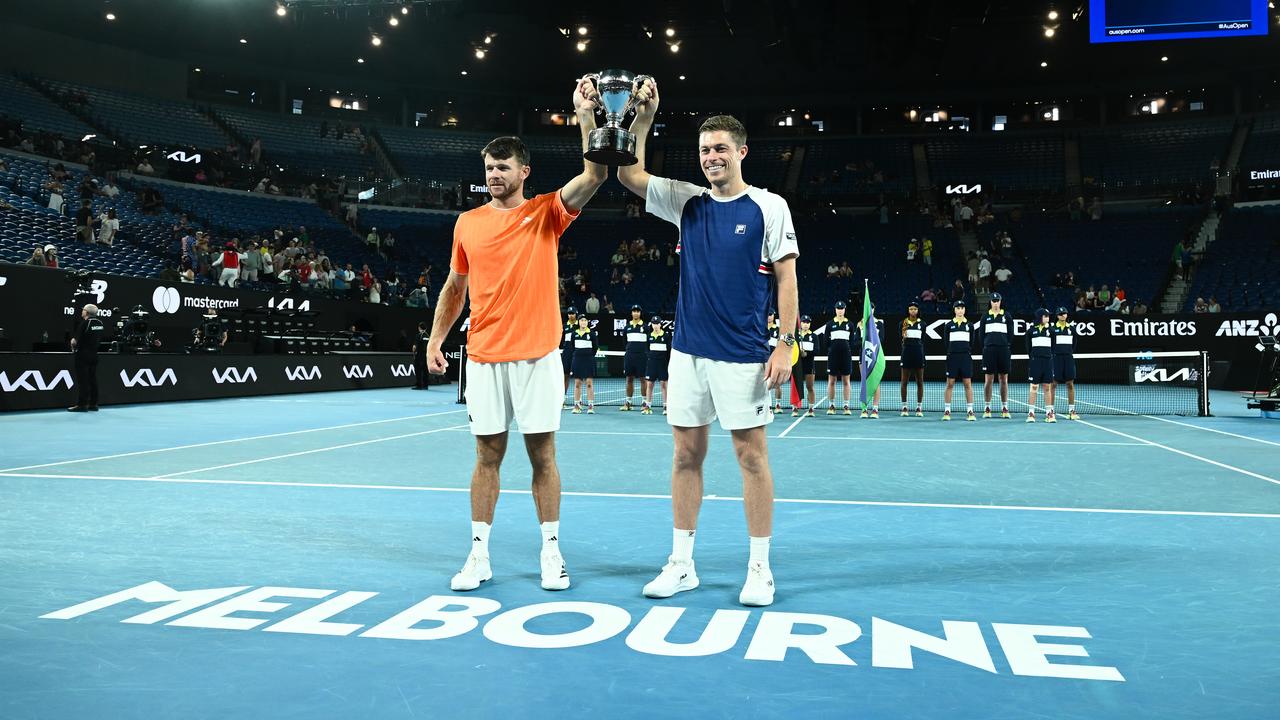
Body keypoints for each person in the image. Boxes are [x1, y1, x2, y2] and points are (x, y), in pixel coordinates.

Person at [618, 80, 799, 607]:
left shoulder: (769, 206)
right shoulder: (686, 201)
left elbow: (786, 280)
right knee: (685, 455)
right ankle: (681, 564)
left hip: (744, 354)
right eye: (704, 150)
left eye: (721, 148)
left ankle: (760, 568)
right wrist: (646, 118)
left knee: (751, 458)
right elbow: (629, 173)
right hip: (688, 353)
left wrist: (785, 343)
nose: (711, 157)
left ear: (742, 152)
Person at [424, 77, 607, 593]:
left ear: (524, 172)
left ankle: (552, 551)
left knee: (542, 455)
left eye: (503, 167)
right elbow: (455, 286)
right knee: (486, 456)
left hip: (538, 357)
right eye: (489, 168)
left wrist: (584, 115)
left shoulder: (546, 212)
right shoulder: (467, 223)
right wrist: (436, 339)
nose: (494, 175)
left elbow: (594, 173)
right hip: (482, 357)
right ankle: (479, 554)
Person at [978, 292, 1011, 419]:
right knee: (989, 380)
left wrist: (1005, 345)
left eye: (997, 301)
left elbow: (1010, 335)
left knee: (1003, 379)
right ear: (990, 302)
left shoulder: (1006, 316)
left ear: (1000, 301)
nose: (995, 303)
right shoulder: (985, 317)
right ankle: (987, 407)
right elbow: (981, 336)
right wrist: (987, 345)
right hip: (989, 351)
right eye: (993, 301)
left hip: (1003, 350)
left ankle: (1004, 407)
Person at [942, 300, 976, 421]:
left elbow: (971, 342)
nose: (960, 310)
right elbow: (946, 343)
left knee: (968, 384)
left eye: (962, 308)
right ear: (954, 310)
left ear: (964, 310)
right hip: (952, 357)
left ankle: (970, 411)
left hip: (965, 357)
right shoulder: (949, 326)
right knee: (950, 384)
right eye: (958, 308)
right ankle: (947, 411)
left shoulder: (970, 326)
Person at [68, 304, 105, 412]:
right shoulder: (100, 323)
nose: (82, 311)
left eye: (83, 310)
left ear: (87, 312)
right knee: (92, 379)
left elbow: (75, 341)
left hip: (83, 355)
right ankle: (93, 404)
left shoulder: (85, 323)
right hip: (94, 355)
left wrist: (72, 344)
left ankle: (82, 405)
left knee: (83, 381)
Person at [1025, 308, 1057, 423]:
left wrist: (1047, 356)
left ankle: (1049, 413)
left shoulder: (1051, 331)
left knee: (1047, 387)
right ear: (1039, 317)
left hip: (1047, 362)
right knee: (1034, 387)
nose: (1048, 318)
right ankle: (1031, 413)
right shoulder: (1031, 331)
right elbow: (1028, 348)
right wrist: (1034, 357)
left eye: (1048, 316)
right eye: (1046, 316)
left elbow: (1053, 347)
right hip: (1035, 362)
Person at [854, 306, 885, 418]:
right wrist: (864, 341)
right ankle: (864, 409)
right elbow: (855, 342)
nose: (870, 310)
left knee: (876, 383)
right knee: (864, 382)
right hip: (863, 357)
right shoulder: (859, 324)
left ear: (874, 309)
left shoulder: (879, 324)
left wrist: (870, 340)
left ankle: (875, 410)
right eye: (868, 308)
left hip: (875, 357)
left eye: (871, 308)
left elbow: (881, 339)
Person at [825, 301, 854, 416]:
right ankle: (831, 406)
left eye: (842, 308)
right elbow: (826, 342)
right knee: (832, 381)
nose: (840, 310)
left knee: (846, 381)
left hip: (846, 356)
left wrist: (846, 349)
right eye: (838, 308)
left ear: (845, 309)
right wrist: (832, 350)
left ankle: (846, 406)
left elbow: (852, 341)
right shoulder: (829, 324)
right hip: (833, 356)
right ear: (835, 309)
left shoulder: (850, 324)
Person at [1050, 307, 1080, 420]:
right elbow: (1051, 344)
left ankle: (1072, 411)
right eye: (1060, 314)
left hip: (1068, 358)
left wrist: (1067, 353)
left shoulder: (1072, 329)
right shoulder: (1052, 329)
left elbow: (1074, 345)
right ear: (1057, 316)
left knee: (1070, 384)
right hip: (1056, 359)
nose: (1063, 315)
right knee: (1053, 384)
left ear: (1067, 315)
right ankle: (1051, 411)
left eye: (1064, 313)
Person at [899, 299, 926, 417]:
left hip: (918, 355)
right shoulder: (902, 323)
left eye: (915, 309)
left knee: (920, 381)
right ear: (908, 310)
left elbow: (923, 339)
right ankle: (904, 407)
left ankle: (919, 408)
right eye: (911, 309)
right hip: (906, 354)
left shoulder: (922, 324)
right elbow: (901, 339)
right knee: (904, 382)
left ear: (918, 310)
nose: (913, 311)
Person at [620, 304, 648, 411]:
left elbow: (648, 342)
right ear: (631, 313)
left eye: (638, 311)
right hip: (630, 356)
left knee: (643, 379)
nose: (636, 313)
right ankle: (628, 402)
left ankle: (644, 402)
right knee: (629, 379)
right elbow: (625, 342)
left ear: (640, 313)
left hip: (642, 356)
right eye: (634, 311)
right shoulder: (627, 327)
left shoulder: (645, 327)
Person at [569, 315, 598, 414]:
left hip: (588, 360)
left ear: (587, 322)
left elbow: (595, 348)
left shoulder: (592, 334)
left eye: (585, 320)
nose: (583, 322)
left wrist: (588, 355)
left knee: (589, 383)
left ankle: (590, 406)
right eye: (581, 320)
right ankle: (577, 405)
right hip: (577, 360)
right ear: (578, 322)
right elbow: (573, 347)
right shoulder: (574, 334)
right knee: (577, 383)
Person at [643, 315, 670, 415]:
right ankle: (647, 406)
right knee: (650, 384)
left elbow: (669, 350)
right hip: (652, 364)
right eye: (654, 324)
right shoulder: (649, 336)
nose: (655, 325)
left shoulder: (666, 336)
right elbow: (646, 349)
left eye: (657, 323)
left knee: (664, 384)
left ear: (660, 324)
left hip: (663, 364)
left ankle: (666, 406)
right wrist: (650, 357)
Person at [793, 315, 817, 417]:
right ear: (800, 323)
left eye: (808, 322)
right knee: (796, 387)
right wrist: (799, 353)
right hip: (798, 365)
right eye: (804, 322)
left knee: (809, 387)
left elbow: (817, 350)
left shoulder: (814, 336)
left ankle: (811, 408)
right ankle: (795, 408)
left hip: (809, 364)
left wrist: (806, 354)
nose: (806, 324)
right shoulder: (796, 336)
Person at [766, 309, 783, 413]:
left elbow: (787, 340)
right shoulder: (760, 328)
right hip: (762, 359)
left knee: (777, 383)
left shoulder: (778, 329)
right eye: (767, 315)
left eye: (771, 315)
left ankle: (778, 405)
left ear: (774, 316)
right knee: (763, 384)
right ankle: (767, 405)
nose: (769, 317)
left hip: (775, 360)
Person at [411, 321, 429, 390]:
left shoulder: (418, 335)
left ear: (419, 328)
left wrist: (414, 353)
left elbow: (414, 347)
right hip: (426, 356)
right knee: (425, 370)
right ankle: (425, 385)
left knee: (418, 370)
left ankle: (419, 385)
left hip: (419, 356)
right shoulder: (428, 336)